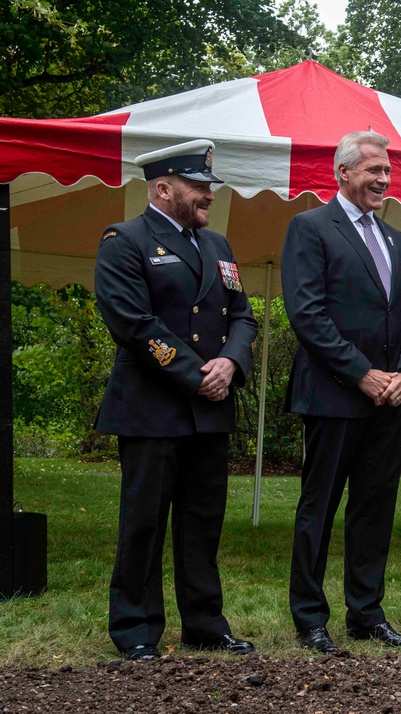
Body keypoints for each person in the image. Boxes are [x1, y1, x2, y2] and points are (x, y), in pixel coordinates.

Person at [94, 140, 259, 661]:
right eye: (199, 187)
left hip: (209, 410)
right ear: (163, 189)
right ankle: (136, 628)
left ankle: (205, 624)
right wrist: (196, 376)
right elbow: (134, 324)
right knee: (143, 522)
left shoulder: (219, 246)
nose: (209, 194)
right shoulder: (124, 240)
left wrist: (231, 363)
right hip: (152, 408)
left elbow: (243, 316)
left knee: (202, 521)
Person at [282, 130, 401, 653]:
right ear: (343, 173)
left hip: (388, 401)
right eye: (373, 171)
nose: (383, 179)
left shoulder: (396, 240)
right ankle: (310, 617)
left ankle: (366, 614)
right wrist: (363, 373)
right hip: (333, 395)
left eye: (386, 171)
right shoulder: (311, 227)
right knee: (318, 509)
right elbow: (307, 314)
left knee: (374, 509)